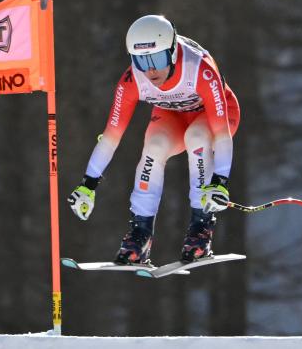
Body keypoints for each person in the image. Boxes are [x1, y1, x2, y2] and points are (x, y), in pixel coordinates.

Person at [68, 15, 240, 264]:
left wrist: (220, 181)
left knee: (197, 137)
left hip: (214, 116)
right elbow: (111, 137)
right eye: (140, 61)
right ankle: (140, 234)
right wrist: (88, 186)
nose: (150, 70)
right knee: (154, 147)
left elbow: (222, 134)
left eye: (157, 59)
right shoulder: (131, 81)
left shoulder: (199, 69)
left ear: (171, 51)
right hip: (172, 115)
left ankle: (200, 230)